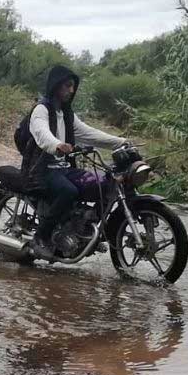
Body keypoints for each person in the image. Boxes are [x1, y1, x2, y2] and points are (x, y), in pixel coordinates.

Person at [24, 65, 126, 260]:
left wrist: (120, 142)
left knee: (102, 183)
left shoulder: (67, 113)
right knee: (68, 191)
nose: (71, 90)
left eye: (73, 86)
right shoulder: (41, 109)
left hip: (63, 169)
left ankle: (84, 229)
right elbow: (41, 133)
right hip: (42, 170)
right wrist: (57, 145)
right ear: (55, 86)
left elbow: (89, 134)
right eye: (67, 86)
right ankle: (41, 237)